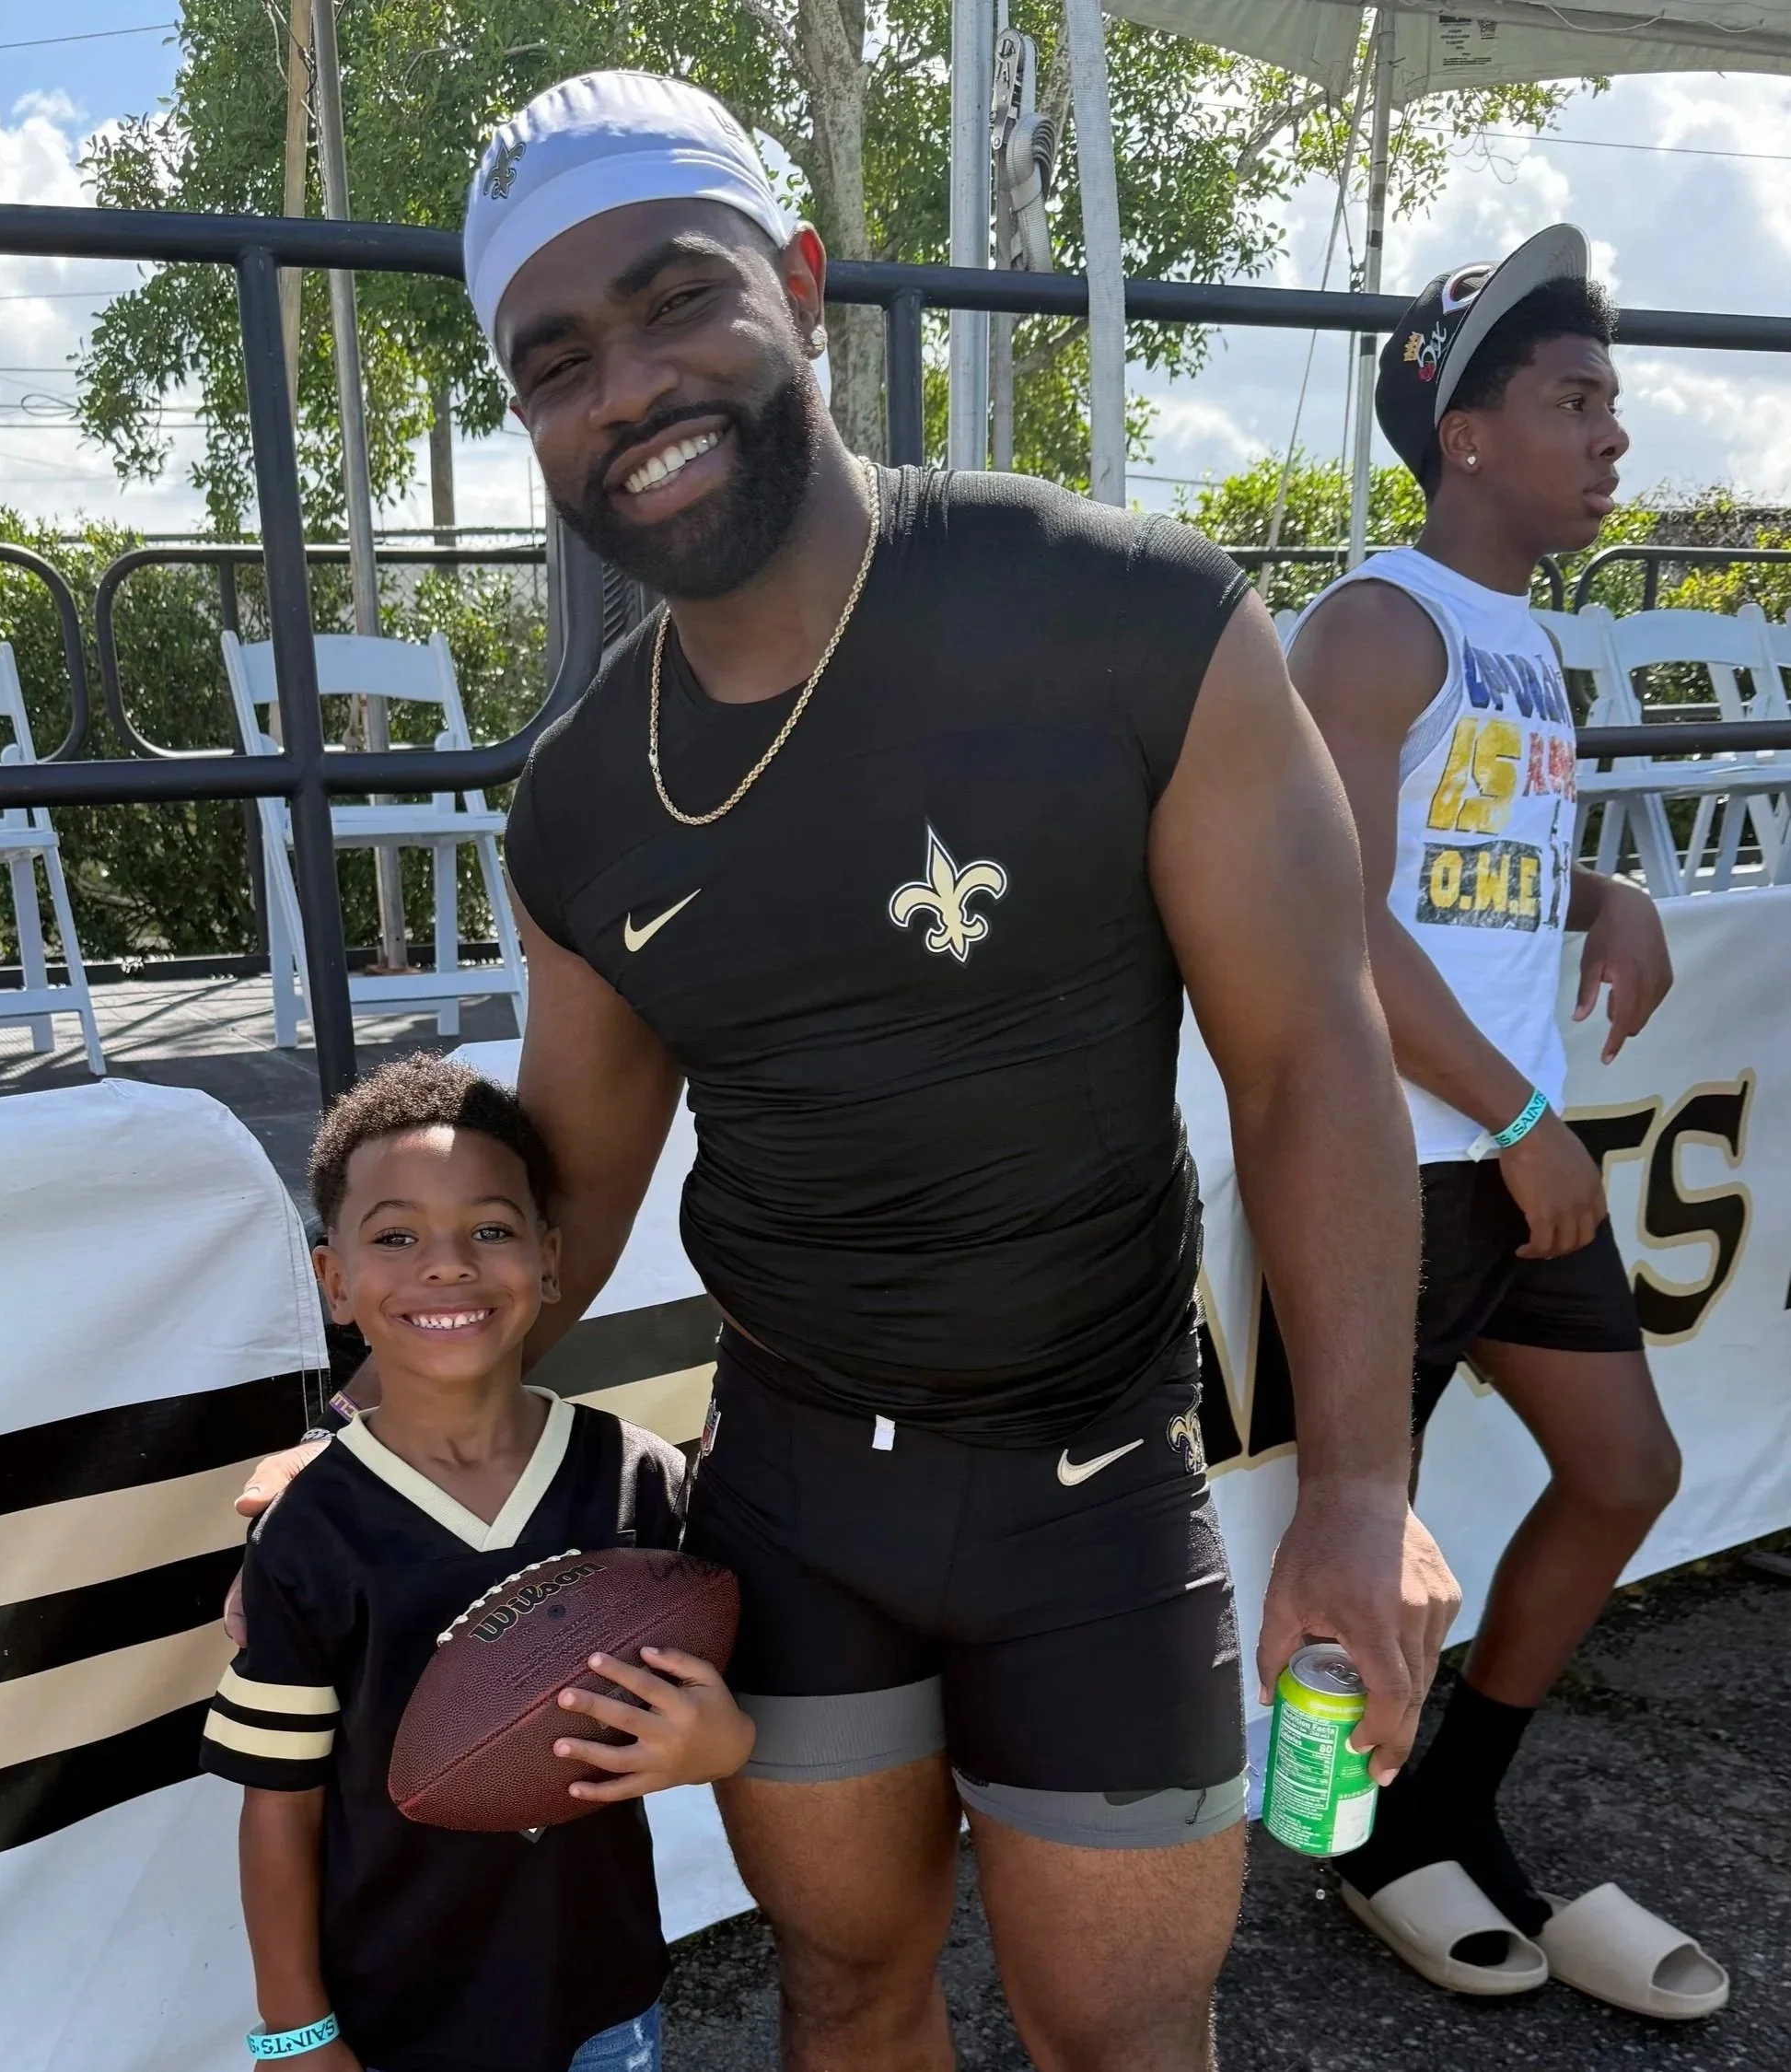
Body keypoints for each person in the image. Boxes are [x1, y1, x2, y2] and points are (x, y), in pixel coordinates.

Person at [242, 71, 1460, 2072]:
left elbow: (1313, 1063)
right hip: (799, 1498)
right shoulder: (577, 803)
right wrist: (390, 1424)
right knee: (846, 1993)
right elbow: (570, 1188)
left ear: (804, 287)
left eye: (674, 302)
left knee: (1123, 2043)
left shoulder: (1130, 618)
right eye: (557, 362)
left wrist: (1353, 1484)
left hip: (1095, 1495)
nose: (626, 387)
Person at [1286, 228, 1726, 2018]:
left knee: (1626, 1472)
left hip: (1504, 1155)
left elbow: (1471, 875)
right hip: (1399, 1168)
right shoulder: (1373, 623)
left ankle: (1446, 1811)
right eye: (1575, 399)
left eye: (1613, 400)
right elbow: (1326, 918)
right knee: (1352, 1548)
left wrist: (1598, 896)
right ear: (1464, 430)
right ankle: (1334, 1845)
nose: (1613, 435)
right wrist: (1523, 1109)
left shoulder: (1521, 636)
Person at [204, 1053, 754, 2072]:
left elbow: (719, 1690)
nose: (446, 1264)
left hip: (605, 2001)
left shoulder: (633, 1478)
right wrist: (296, 2029)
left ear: (550, 1261)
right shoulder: (309, 1529)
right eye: (397, 1235)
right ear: (334, 1279)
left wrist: (717, 1746)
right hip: (398, 2021)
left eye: (490, 1230)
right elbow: (278, 1808)